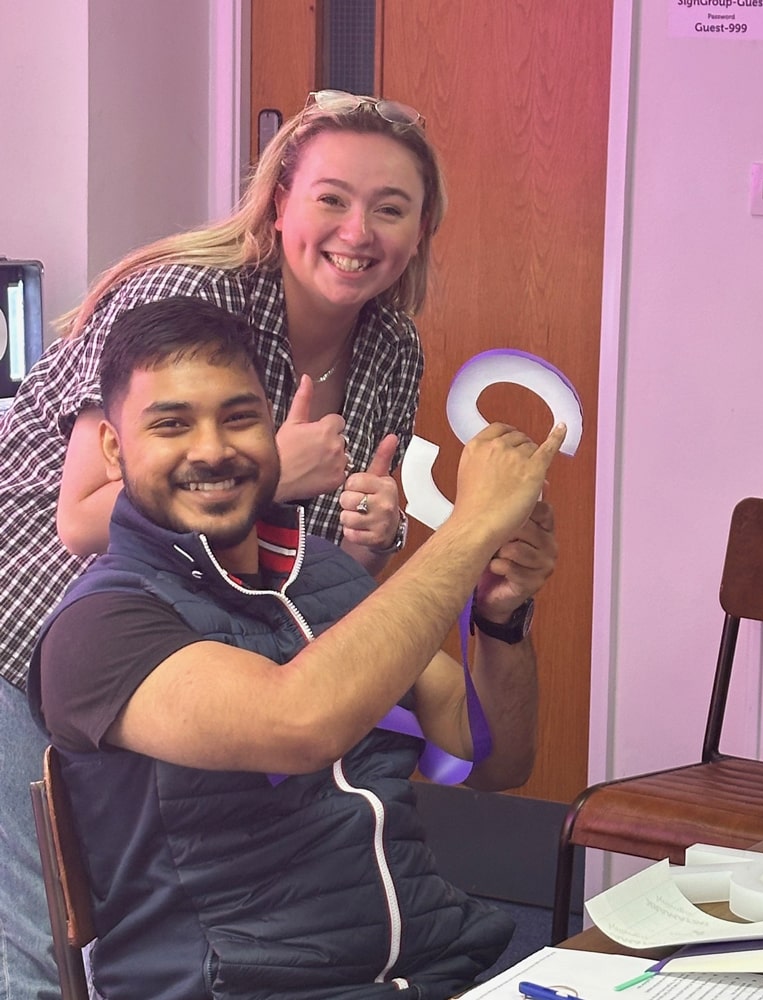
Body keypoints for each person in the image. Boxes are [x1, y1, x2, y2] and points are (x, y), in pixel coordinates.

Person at [0, 91, 445, 997]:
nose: (358, 232)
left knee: (196, 916)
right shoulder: (185, 296)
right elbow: (82, 517)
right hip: (38, 616)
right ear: (278, 202)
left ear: (420, 231)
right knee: (47, 943)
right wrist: (275, 469)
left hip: (200, 642)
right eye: (331, 198)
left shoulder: (393, 346)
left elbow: (300, 562)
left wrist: (373, 532)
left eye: (390, 208)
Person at [29, 295, 566, 1000]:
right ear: (112, 448)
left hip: (435, 971)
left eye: (239, 417)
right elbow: (299, 724)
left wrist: (500, 618)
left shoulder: (325, 574)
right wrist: (472, 528)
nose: (212, 449)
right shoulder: (99, 625)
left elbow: (490, 758)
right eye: (171, 424)